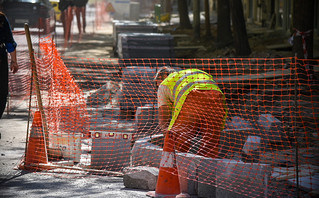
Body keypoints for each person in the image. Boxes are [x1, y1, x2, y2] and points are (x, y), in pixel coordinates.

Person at [154, 66, 227, 158]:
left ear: (164, 75)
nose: (157, 86)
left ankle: (179, 168)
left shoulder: (164, 84)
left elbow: (163, 118)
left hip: (191, 97)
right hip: (215, 96)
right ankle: (205, 168)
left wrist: (168, 139)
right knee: (210, 141)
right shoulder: (191, 73)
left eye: (157, 82)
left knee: (180, 141)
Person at [0, 12, 19, 118]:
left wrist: (14, 61)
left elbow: (9, 42)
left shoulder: (1, 19)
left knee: (2, 92)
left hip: (1, 59)